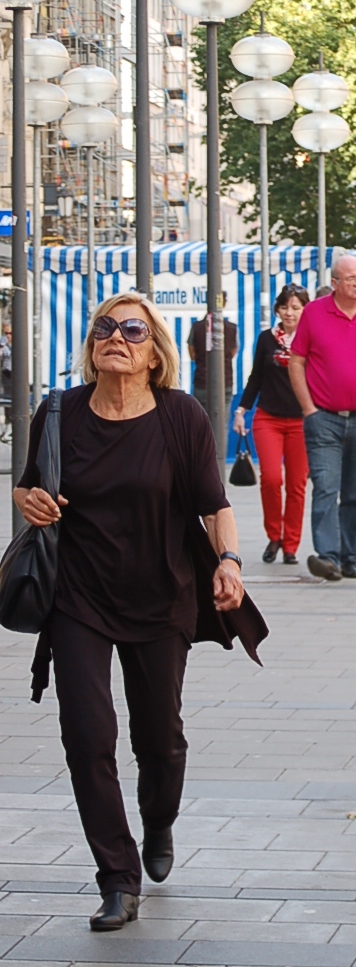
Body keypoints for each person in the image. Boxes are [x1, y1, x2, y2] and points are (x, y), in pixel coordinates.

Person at [14, 294, 248, 932]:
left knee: (160, 741)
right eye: (104, 328)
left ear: (154, 354)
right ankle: (118, 878)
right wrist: (28, 501)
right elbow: (28, 483)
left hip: (161, 595)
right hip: (77, 597)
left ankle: (159, 819)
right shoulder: (58, 412)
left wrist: (229, 562)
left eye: (132, 330)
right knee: (87, 734)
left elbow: (213, 503)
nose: (115, 337)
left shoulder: (180, 416)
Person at [289, 255, 356, 582]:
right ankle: (328, 557)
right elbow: (296, 361)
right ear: (335, 283)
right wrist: (308, 409)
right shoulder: (315, 313)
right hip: (323, 418)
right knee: (326, 486)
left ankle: (349, 557)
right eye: (352, 278)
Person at [234, 284, 310, 566]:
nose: (289, 313)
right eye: (285, 307)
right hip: (268, 418)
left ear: (305, 310)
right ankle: (274, 536)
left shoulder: (310, 338)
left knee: (297, 484)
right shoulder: (266, 339)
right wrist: (241, 410)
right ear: (277, 309)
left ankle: (291, 544)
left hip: (301, 421)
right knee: (271, 478)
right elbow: (256, 377)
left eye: (296, 308)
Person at [187, 311, 239, 414]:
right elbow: (233, 352)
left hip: (202, 380)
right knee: (222, 419)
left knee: (200, 419)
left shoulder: (196, 327)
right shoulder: (232, 328)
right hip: (226, 380)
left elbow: (192, 355)